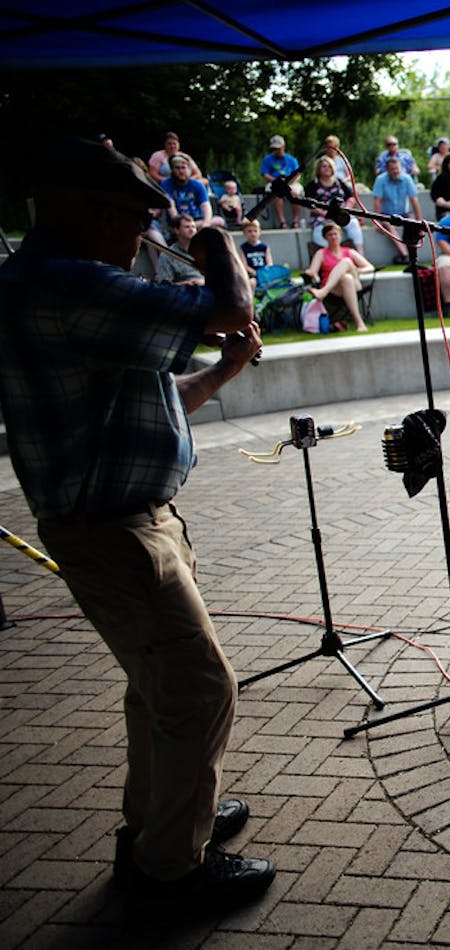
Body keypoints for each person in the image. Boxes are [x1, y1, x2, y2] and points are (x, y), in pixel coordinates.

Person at [0, 136, 272, 904]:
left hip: (127, 521)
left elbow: (153, 402)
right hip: (112, 529)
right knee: (200, 689)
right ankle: (168, 869)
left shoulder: (62, 290)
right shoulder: (62, 284)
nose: (136, 243)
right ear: (89, 213)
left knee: (158, 687)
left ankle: (162, 819)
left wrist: (224, 369)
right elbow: (226, 305)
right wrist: (217, 237)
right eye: (129, 221)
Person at [303, 221, 373, 332]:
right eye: (330, 235)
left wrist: (356, 270)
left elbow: (370, 267)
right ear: (325, 238)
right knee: (346, 278)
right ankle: (359, 322)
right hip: (335, 290)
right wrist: (310, 274)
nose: (333, 237)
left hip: (355, 286)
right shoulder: (321, 253)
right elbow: (313, 271)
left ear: (340, 235)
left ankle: (323, 292)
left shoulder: (349, 251)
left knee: (346, 262)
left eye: (336, 234)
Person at [306, 156, 363, 252]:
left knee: (353, 223)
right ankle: (331, 256)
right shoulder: (312, 185)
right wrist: (324, 213)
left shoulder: (340, 183)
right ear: (318, 169)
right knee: (319, 231)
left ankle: (360, 253)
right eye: (324, 166)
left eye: (329, 166)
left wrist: (347, 208)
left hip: (341, 214)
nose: (327, 168)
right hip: (322, 216)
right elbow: (309, 204)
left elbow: (350, 197)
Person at [372, 155, 421, 265]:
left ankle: (412, 252)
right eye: (392, 169)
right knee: (389, 225)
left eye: (397, 168)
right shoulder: (380, 180)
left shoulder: (407, 179)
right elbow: (377, 201)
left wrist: (419, 219)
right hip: (386, 214)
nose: (395, 171)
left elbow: (414, 200)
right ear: (387, 170)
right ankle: (405, 254)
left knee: (412, 223)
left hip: (403, 213)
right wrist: (376, 221)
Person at [161, 155, 215, 232]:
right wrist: (179, 223)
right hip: (179, 220)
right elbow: (171, 205)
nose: (181, 171)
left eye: (183, 168)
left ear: (189, 169)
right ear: (172, 169)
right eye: (177, 168)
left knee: (219, 221)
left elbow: (205, 205)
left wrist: (206, 223)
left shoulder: (197, 185)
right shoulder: (166, 183)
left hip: (197, 219)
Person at [259, 135, 302, 229]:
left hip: (290, 182)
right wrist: (277, 182)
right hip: (274, 182)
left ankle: (295, 220)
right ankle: (282, 221)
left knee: (296, 194)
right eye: (274, 149)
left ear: (283, 147)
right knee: (277, 194)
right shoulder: (267, 159)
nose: (276, 151)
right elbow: (265, 174)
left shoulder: (291, 160)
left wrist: (288, 183)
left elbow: (297, 174)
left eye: (278, 148)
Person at [156, 215, 205, 286]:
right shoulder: (167, 255)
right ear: (177, 230)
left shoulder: (206, 251)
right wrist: (187, 283)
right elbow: (164, 286)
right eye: (187, 227)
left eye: (194, 227)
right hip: (186, 293)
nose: (192, 230)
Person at [238, 220, 271, 286]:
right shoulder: (243, 248)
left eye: (255, 231)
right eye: (249, 231)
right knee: (252, 282)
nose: (253, 234)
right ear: (244, 232)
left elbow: (269, 262)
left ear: (260, 232)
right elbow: (244, 265)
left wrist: (264, 271)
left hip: (263, 273)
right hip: (251, 274)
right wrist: (254, 272)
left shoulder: (264, 247)